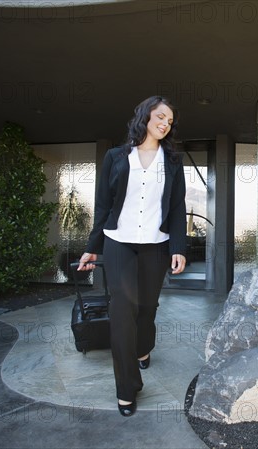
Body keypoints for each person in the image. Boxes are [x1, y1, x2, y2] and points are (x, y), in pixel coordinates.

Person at [77, 96, 187, 417]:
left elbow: (178, 207)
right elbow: (103, 206)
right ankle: (126, 387)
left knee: (147, 307)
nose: (165, 123)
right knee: (122, 310)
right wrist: (91, 246)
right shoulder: (115, 157)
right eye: (161, 116)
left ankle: (143, 348)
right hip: (118, 243)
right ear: (145, 116)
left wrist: (178, 247)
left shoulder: (173, 161)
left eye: (170, 120)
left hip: (157, 245)